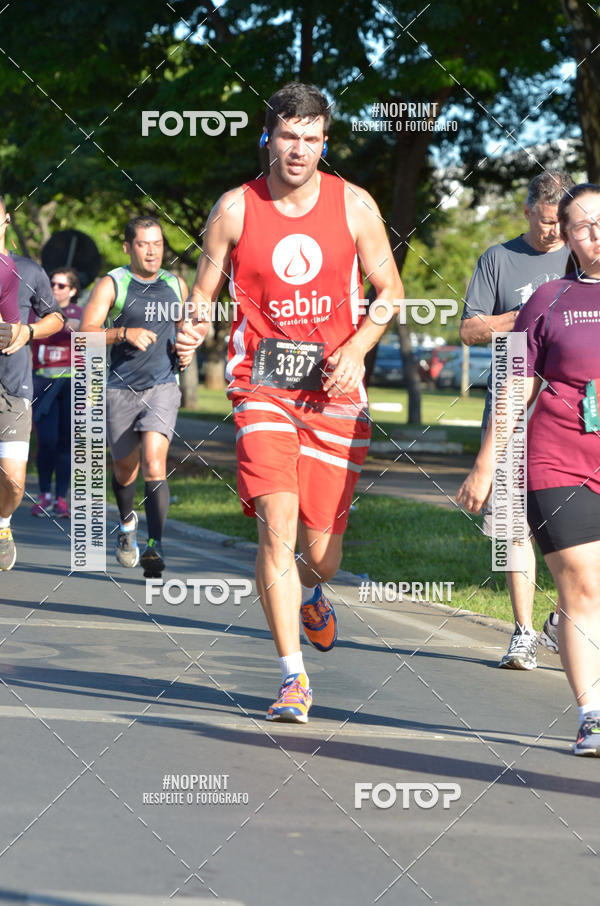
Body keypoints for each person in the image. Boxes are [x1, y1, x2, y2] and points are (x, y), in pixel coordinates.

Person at [177, 82, 403, 723]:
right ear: (267, 138)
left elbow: (389, 290)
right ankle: (292, 678)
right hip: (262, 387)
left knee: (320, 551)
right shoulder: (234, 209)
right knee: (276, 524)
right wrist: (194, 324)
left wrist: (358, 347)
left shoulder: (355, 205)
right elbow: (204, 292)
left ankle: (315, 594)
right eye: (287, 136)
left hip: (335, 390)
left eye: (311, 138)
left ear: (324, 141)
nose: (299, 149)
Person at [458, 182, 600, 755]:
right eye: (583, 226)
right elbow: (516, 385)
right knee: (584, 584)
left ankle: (563, 628)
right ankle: (592, 713)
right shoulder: (548, 300)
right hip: (558, 457)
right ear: (566, 237)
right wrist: (486, 465)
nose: (596, 233)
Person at [460, 170, 574, 668]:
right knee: (513, 525)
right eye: (547, 221)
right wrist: (526, 315)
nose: (554, 233)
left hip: (571, 404)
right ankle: (525, 632)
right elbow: (468, 329)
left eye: (562, 223)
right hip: (510, 395)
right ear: (527, 211)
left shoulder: (583, 254)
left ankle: (561, 619)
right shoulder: (499, 259)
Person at [80, 216, 190, 577]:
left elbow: (188, 328)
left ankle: (156, 547)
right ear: (128, 247)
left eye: (157, 244)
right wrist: (124, 332)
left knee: (156, 462)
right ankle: (128, 524)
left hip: (162, 386)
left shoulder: (176, 284)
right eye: (144, 244)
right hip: (119, 389)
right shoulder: (113, 283)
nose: (152, 251)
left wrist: (189, 348)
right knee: (126, 468)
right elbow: (85, 335)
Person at [0, 196, 63, 570]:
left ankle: (3, 524)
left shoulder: (27, 269)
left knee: (14, 480)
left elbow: (55, 317)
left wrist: (29, 330)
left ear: (6, 218)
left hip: (14, 387)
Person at [30, 268, 83, 519]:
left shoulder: (81, 314)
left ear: (72, 291)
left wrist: (79, 327)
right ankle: (44, 495)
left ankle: (62, 497)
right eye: (52, 283)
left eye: (61, 285)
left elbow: (97, 335)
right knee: (47, 441)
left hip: (72, 385)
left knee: (65, 444)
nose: (55, 288)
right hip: (42, 384)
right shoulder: (37, 310)